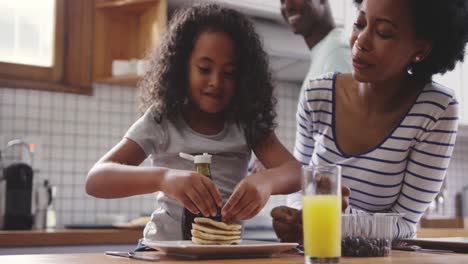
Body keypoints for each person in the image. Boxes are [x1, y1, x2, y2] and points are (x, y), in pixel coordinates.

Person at [85, 3, 304, 241]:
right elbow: (97, 179)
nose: (215, 82)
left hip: (225, 254)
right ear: (182, 67)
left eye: (229, 73)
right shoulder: (162, 119)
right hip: (164, 252)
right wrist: (163, 178)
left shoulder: (245, 122)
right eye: (204, 69)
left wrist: (267, 181)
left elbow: (296, 172)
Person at [272, 0, 468, 242]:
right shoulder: (317, 95)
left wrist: (337, 222)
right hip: (319, 251)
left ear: (421, 50)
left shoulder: (437, 109)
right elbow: (298, 187)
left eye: (383, 33)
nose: (361, 41)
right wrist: (299, 216)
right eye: (359, 23)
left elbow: (405, 223)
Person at [270, 0, 352, 243]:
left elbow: (344, 155)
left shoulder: (338, 52)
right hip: (322, 224)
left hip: (336, 228)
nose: (288, 5)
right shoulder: (325, 54)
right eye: (282, 0)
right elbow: (315, 155)